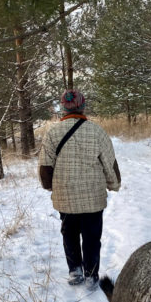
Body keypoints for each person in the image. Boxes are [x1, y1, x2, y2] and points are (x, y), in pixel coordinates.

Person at [39, 89, 121, 288]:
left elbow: (45, 166)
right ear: (83, 106)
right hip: (92, 196)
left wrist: (50, 185)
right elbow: (109, 163)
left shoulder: (52, 132)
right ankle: (91, 274)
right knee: (92, 236)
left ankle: (75, 270)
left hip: (65, 195)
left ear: (63, 109)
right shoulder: (97, 131)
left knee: (69, 233)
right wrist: (114, 183)